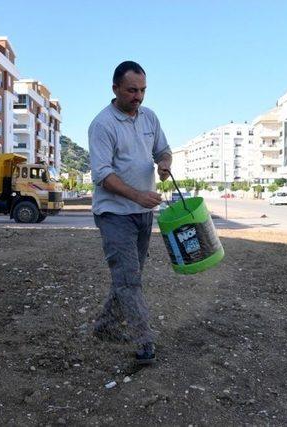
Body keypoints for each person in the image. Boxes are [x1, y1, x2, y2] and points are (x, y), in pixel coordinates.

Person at [88, 61, 172, 365]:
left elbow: (163, 149)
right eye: (132, 90)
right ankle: (144, 341)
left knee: (129, 275)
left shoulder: (149, 117)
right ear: (115, 89)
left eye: (143, 90)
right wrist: (137, 195)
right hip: (114, 214)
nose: (138, 97)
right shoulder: (102, 125)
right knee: (129, 280)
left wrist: (164, 163)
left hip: (142, 212)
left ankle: (105, 327)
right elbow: (103, 175)